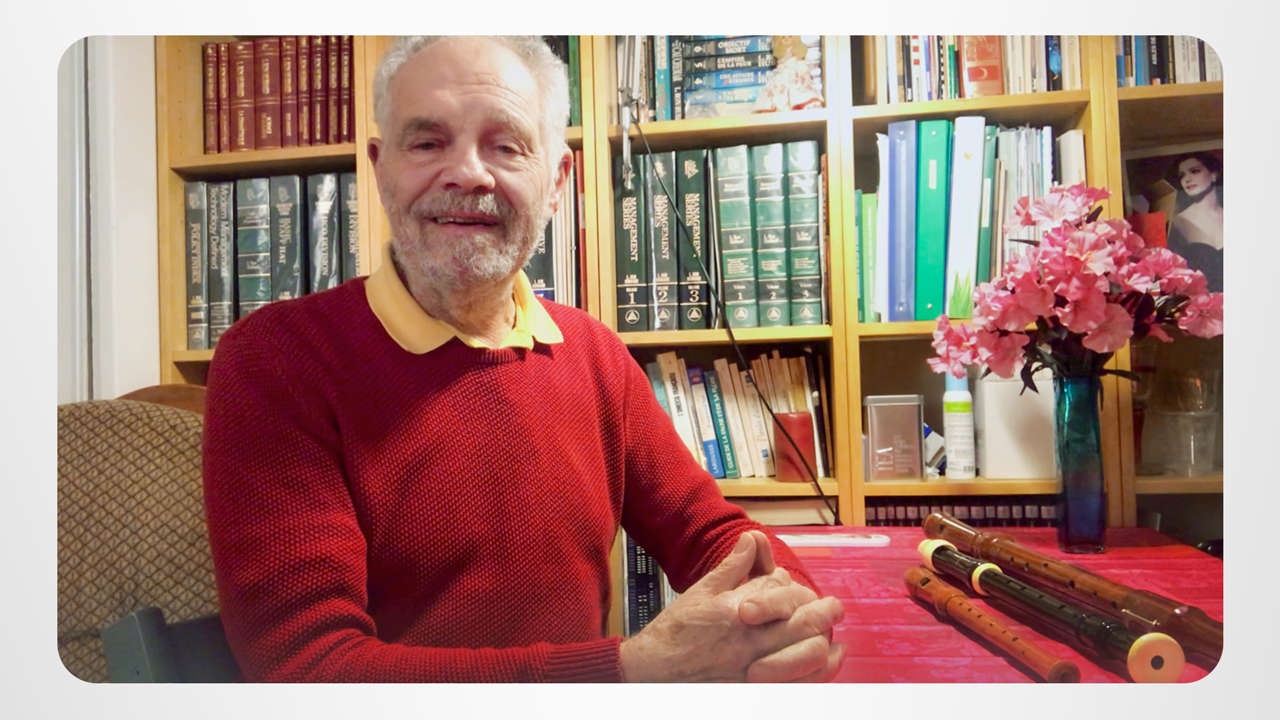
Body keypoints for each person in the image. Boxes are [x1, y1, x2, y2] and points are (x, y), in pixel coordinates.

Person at [201, 35, 845, 683]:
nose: (468, 174)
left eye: (506, 146)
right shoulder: (276, 361)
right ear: (380, 167)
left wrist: (786, 613)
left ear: (557, 181)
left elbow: (713, 534)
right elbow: (307, 668)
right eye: (427, 143)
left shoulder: (594, 355)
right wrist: (627, 672)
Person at [1166, 152, 1223, 292]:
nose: (1187, 179)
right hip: (1201, 302)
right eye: (1182, 176)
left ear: (1214, 175)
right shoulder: (1176, 223)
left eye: (1195, 171)